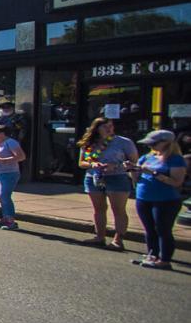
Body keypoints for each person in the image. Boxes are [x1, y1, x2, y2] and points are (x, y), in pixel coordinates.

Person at [77, 116, 138, 250]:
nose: (110, 129)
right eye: (106, 127)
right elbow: (81, 162)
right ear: (97, 128)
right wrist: (93, 164)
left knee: (118, 209)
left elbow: (134, 163)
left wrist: (115, 166)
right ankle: (100, 237)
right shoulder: (89, 142)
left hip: (117, 178)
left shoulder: (123, 142)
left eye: (111, 126)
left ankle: (118, 239)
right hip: (94, 177)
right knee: (99, 209)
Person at [132, 129, 185, 270]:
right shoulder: (146, 157)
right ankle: (152, 255)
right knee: (149, 229)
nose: (151, 147)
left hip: (166, 200)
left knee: (163, 229)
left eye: (154, 144)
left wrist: (154, 173)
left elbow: (177, 182)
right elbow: (136, 179)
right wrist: (132, 170)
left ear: (166, 143)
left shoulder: (176, 159)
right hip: (143, 197)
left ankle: (165, 260)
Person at [0, 123, 26, 230]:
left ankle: (11, 222)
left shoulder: (11, 143)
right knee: (1, 197)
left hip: (9, 173)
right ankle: (5, 218)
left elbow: (21, 157)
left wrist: (3, 160)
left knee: (4, 195)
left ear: (2, 134)